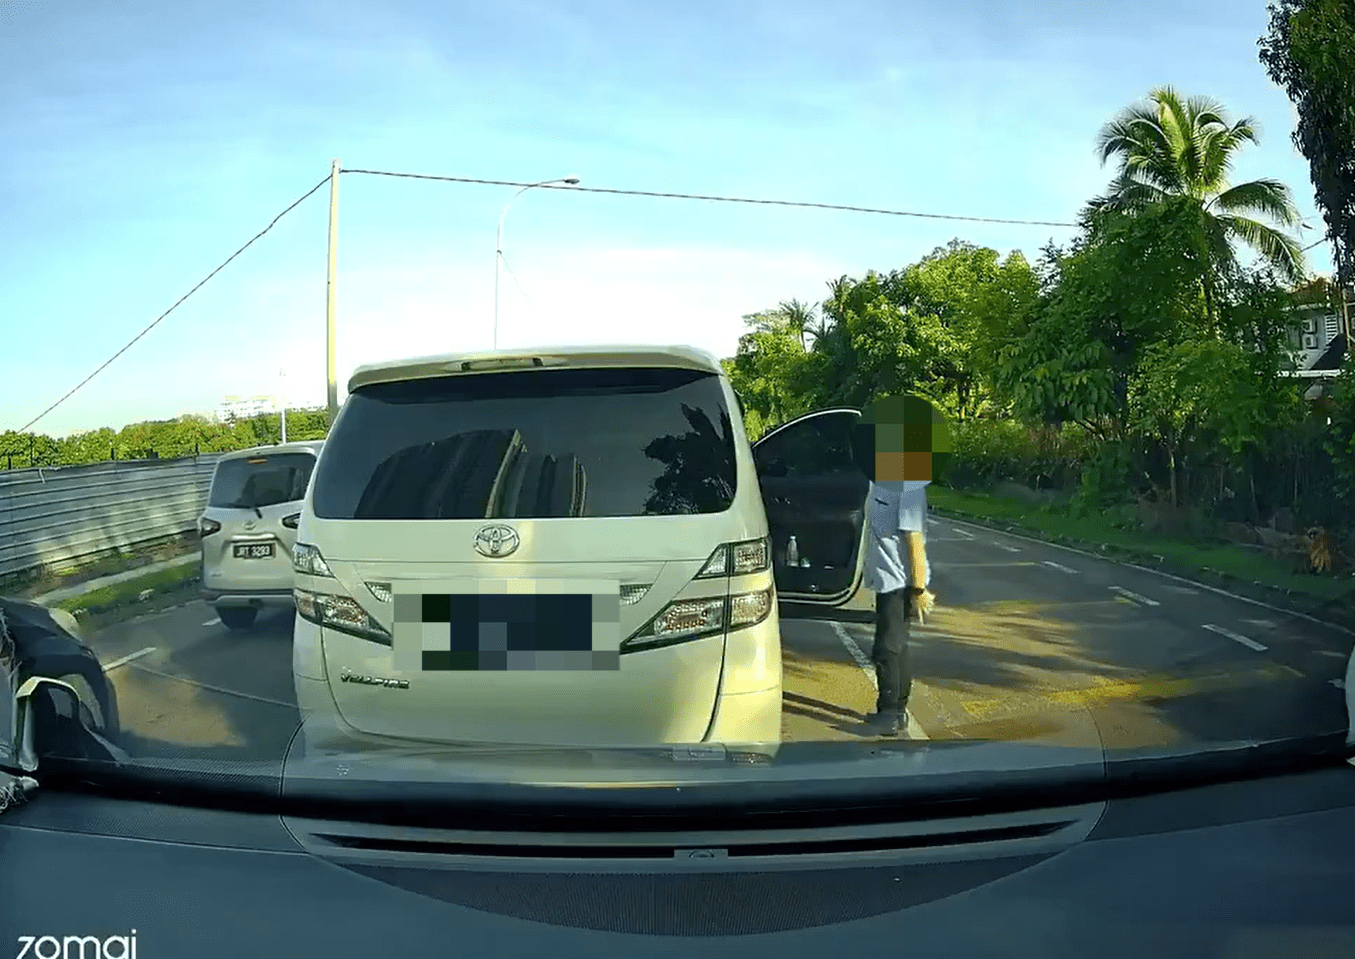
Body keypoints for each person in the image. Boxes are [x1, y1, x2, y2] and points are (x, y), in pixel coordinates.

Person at [851, 395, 947, 738]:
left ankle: (891, 713)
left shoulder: (907, 485)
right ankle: (895, 710)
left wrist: (919, 589)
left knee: (889, 647)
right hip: (886, 577)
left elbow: (914, 540)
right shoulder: (884, 479)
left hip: (898, 581)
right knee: (894, 644)